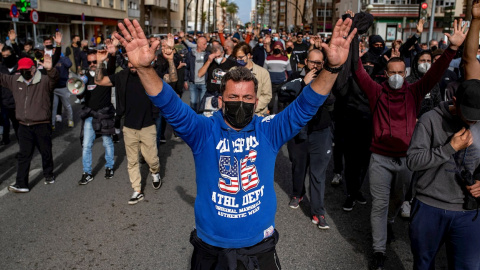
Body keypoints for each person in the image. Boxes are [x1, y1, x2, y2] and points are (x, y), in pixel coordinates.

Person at [114, 17, 355, 269]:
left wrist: (333, 68)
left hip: (259, 247)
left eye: (247, 97)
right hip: (211, 248)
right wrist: (143, 68)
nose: (240, 102)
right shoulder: (203, 131)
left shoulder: (268, 131)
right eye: (233, 96)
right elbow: (170, 105)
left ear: (255, 101)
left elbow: (306, 106)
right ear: (220, 100)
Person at [353, 19, 466, 269]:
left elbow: (435, 73)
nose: (395, 77)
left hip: (407, 159)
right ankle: (379, 249)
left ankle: (389, 224)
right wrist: (353, 39)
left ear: (405, 73)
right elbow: (358, 71)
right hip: (380, 159)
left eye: (399, 72)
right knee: (379, 204)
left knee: (397, 200)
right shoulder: (377, 92)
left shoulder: (415, 91)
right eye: (390, 73)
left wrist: (452, 50)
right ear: (386, 74)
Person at [94, 42, 166, 204]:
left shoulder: (150, 74)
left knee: (151, 158)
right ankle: (137, 190)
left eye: (135, 61)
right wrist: (100, 62)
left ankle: (155, 172)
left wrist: (168, 59)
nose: (132, 64)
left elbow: (172, 78)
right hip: (129, 127)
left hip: (148, 124)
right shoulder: (122, 76)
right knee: (132, 161)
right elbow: (100, 81)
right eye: (129, 62)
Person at [286, 49, 335, 229]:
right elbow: (284, 96)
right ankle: (297, 193)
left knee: (318, 173)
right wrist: (302, 84)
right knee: (298, 165)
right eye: (312, 62)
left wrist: (317, 85)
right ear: (306, 61)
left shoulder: (328, 79)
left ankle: (318, 212)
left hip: (320, 132)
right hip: (299, 131)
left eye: (319, 63)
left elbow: (330, 100)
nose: (315, 66)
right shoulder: (296, 77)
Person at [1, 56, 59, 192]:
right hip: (23, 125)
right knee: (24, 155)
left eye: (26, 70)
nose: (23, 73)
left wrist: (50, 69)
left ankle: (48, 174)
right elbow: (1, 78)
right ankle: (21, 184)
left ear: (33, 68)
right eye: (21, 70)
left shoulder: (44, 80)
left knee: (45, 151)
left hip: (41, 123)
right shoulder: (15, 81)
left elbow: (54, 79)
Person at [77, 50, 116, 185]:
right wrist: (79, 88)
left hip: (104, 113)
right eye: (90, 62)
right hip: (90, 114)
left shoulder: (106, 73)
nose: (92, 64)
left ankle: (109, 167)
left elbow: (112, 65)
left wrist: (112, 54)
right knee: (86, 145)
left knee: (107, 142)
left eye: (95, 61)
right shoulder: (84, 78)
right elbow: (79, 96)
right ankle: (87, 172)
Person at [233, 42, 272, 116]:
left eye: (241, 57)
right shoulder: (232, 71)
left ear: (248, 55)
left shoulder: (263, 73)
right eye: (236, 58)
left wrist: (251, 108)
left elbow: (266, 95)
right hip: (237, 114)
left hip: (256, 114)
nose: (238, 60)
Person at [184, 36, 210, 112]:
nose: (206, 46)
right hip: (193, 83)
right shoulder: (190, 54)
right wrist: (185, 80)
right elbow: (187, 67)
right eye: (204, 44)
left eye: (206, 44)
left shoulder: (208, 55)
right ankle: (193, 120)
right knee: (193, 104)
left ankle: (201, 121)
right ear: (198, 44)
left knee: (202, 105)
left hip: (204, 84)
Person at [0, 46, 20, 145]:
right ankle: (5, 139)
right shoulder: (1, 68)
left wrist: (13, 43)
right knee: (5, 123)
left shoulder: (20, 66)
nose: (5, 57)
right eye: (3, 56)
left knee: (18, 128)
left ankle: (23, 149)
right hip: (4, 102)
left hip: (18, 103)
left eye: (8, 55)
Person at [51, 50, 74, 129]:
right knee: (54, 107)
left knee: (67, 105)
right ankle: (52, 124)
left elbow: (69, 64)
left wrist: (62, 57)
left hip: (63, 86)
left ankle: (70, 120)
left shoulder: (64, 59)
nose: (54, 51)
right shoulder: (52, 59)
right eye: (53, 50)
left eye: (56, 50)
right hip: (54, 87)